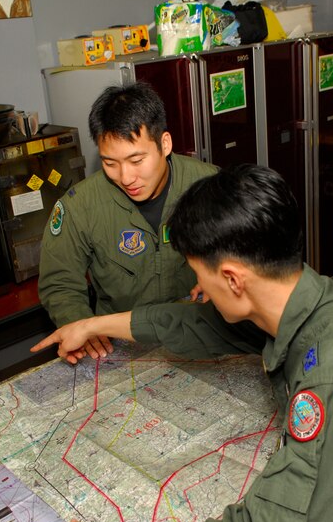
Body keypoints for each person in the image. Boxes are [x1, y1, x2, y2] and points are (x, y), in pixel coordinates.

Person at [15, 164, 333, 522]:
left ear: (233, 278)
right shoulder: (304, 294)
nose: (197, 288)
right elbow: (203, 325)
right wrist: (98, 323)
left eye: (198, 275)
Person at [38, 81, 217, 359]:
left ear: (165, 144)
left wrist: (219, 276)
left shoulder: (208, 184)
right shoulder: (80, 206)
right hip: (120, 345)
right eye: (110, 163)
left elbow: (246, 250)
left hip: (197, 328)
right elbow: (59, 282)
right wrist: (81, 324)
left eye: (136, 160)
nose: (125, 177)